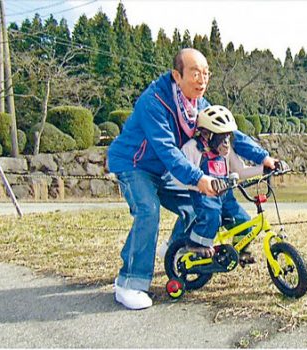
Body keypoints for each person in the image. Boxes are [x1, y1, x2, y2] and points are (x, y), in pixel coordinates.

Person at [107, 48, 276, 310]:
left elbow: (228, 132)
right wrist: (199, 178)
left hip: (167, 169)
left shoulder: (198, 104)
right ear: (177, 75)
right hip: (135, 164)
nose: (202, 79)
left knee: (196, 208)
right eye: (195, 73)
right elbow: (167, 149)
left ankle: (173, 250)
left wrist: (263, 157)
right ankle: (129, 282)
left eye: (206, 73)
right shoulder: (154, 101)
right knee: (148, 211)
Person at [178, 105, 265, 260]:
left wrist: (264, 168)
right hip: (204, 196)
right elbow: (181, 176)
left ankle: (240, 251)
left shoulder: (225, 151)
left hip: (226, 196)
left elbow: (240, 170)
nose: (226, 142)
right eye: (221, 137)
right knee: (212, 216)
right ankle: (195, 244)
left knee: (244, 221)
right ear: (206, 134)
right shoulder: (192, 148)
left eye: (228, 136)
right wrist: (201, 183)